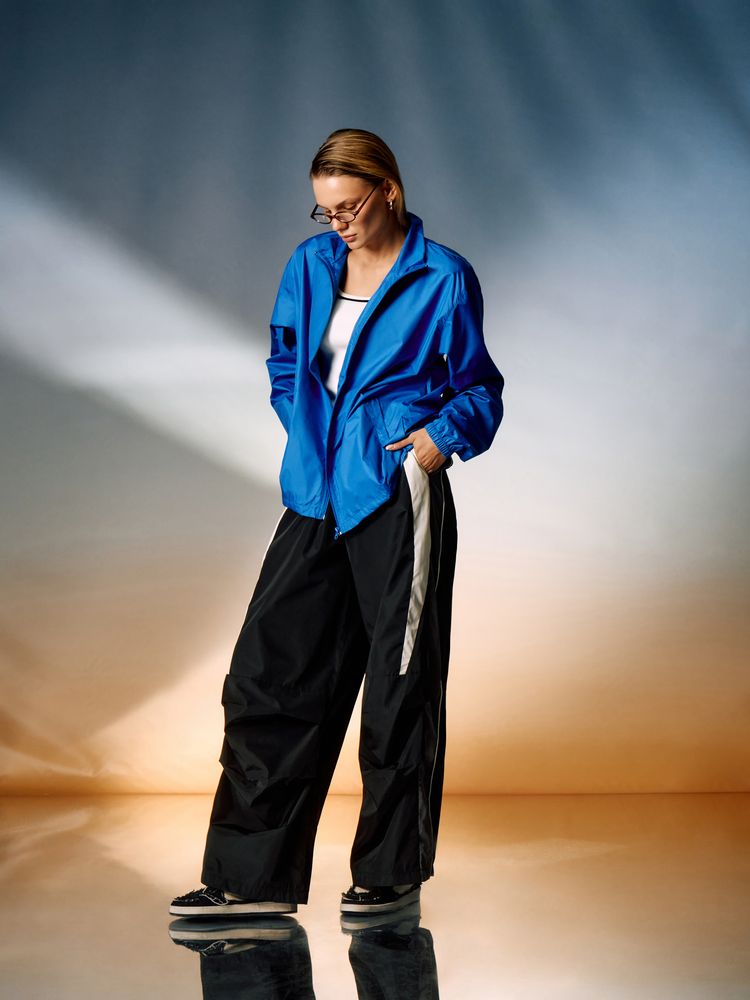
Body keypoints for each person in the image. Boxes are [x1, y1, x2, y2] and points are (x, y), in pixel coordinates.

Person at [170, 128, 504, 920]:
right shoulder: (310, 265)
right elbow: (286, 362)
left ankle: (390, 874)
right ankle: (249, 879)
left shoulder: (442, 276)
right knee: (270, 676)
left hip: (395, 493)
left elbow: (480, 389)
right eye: (326, 212)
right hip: (316, 494)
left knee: (398, 686)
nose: (339, 224)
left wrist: (437, 441)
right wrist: (307, 434)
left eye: (350, 207)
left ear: (389, 190)